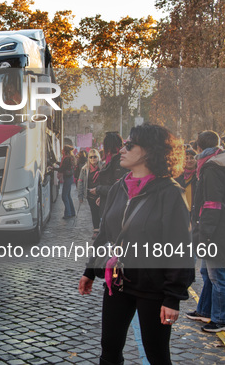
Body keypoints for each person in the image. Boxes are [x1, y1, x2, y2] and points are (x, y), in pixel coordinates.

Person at [78, 123, 194, 365]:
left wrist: (173, 297)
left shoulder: (170, 193)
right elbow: (105, 234)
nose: (122, 149)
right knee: (109, 351)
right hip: (117, 282)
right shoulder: (120, 187)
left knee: (157, 356)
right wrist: (90, 270)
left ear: (150, 151)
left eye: (129, 146)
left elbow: (181, 248)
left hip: (153, 287)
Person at [185, 130, 225, 332]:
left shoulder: (211, 168)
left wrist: (204, 232)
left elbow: (212, 203)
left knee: (216, 274)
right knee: (207, 271)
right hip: (218, 225)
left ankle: (224, 319)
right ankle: (205, 310)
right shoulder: (221, 163)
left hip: (215, 229)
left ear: (199, 148)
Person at [94, 132, 128, 217]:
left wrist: (99, 189)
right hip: (108, 205)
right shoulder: (112, 161)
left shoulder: (119, 162)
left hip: (114, 209)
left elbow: (118, 188)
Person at [77, 148, 101, 235]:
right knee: (94, 213)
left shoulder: (103, 167)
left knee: (102, 212)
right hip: (90, 196)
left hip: (101, 194)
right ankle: (96, 230)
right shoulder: (84, 169)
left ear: (98, 157)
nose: (93, 159)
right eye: (90, 157)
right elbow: (80, 182)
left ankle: (103, 229)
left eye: (95, 157)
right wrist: (80, 195)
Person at [56, 145, 76, 219]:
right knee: (68, 195)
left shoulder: (66, 158)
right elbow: (63, 166)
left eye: (63, 149)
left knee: (64, 196)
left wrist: (53, 168)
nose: (62, 150)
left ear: (65, 151)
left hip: (67, 178)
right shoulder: (69, 157)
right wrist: (56, 163)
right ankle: (72, 212)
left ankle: (68, 213)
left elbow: (62, 168)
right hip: (70, 177)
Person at [175, 148, 197, 212]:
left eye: (192, 158)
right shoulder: (177, 176)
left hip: (195, 212)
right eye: (186, 158)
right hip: (181, 211)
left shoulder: (200, 175)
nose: (189, 161)